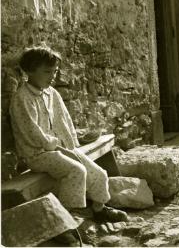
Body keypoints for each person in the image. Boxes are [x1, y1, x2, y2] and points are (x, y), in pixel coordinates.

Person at [10, 46, 128, 244]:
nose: (52, 76)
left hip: (59, 148)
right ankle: (63, 222)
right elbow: (30, 129)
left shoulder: (51, 94)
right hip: (37, 153)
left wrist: (72, 144)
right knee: (76, 171)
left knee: (98, 172)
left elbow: (64, 120)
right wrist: (51, 144)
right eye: (47, 72)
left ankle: (99, 209)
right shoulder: (22, 97)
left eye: (54, 72)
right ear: (30, 71)